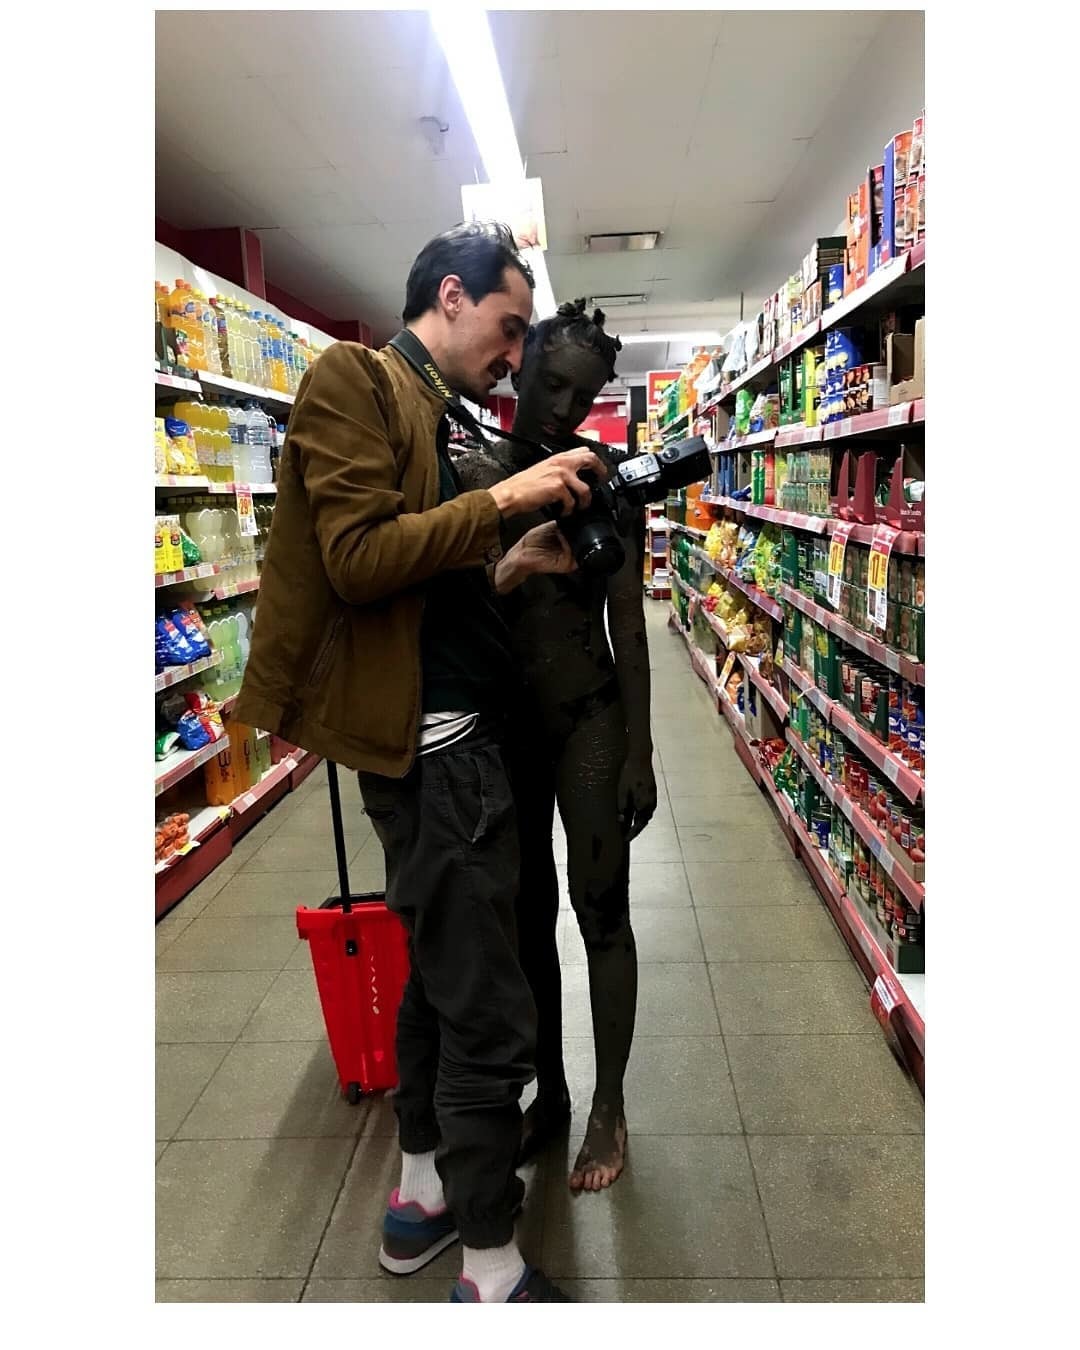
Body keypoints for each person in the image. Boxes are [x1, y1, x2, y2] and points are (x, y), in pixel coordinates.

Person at [235, 223, 607, 1303]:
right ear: (451, 296)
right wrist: (508, 498)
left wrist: (507, 563)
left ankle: (421, 1200)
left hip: (445, 742)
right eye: (510, 326)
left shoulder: (429, 409)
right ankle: (491, 1271)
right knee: (489, 1013)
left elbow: (415, 596)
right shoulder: (352, 379)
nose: (516, 354)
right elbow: (357, 561)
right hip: (438, 762)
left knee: (442, 988)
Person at [455, 300, 656, 1194]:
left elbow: (630, 626)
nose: (563, 407)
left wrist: (641, 751)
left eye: (583, 395)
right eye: (552, 382)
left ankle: (610, 1104)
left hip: (588, 719)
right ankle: (554, 1096)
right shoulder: (480, 476)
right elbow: (453, 607)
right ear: (523, 359)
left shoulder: (602, 482)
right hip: (505, 726)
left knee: (601, 909)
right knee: (525, 917)